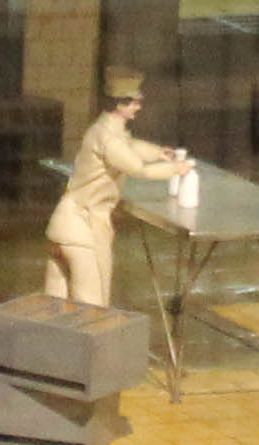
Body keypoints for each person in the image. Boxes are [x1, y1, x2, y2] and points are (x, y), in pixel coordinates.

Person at [43, 68, 187, 312]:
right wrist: (175, 169)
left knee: (53, 308)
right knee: (91, 308)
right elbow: (138, 169)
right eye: (134, 102)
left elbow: (131, 146)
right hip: (81, 229)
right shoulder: (108, 139)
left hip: (66, 225)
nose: (139, 107)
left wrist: (158, 153)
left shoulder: (105, 130)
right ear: (120, 104)